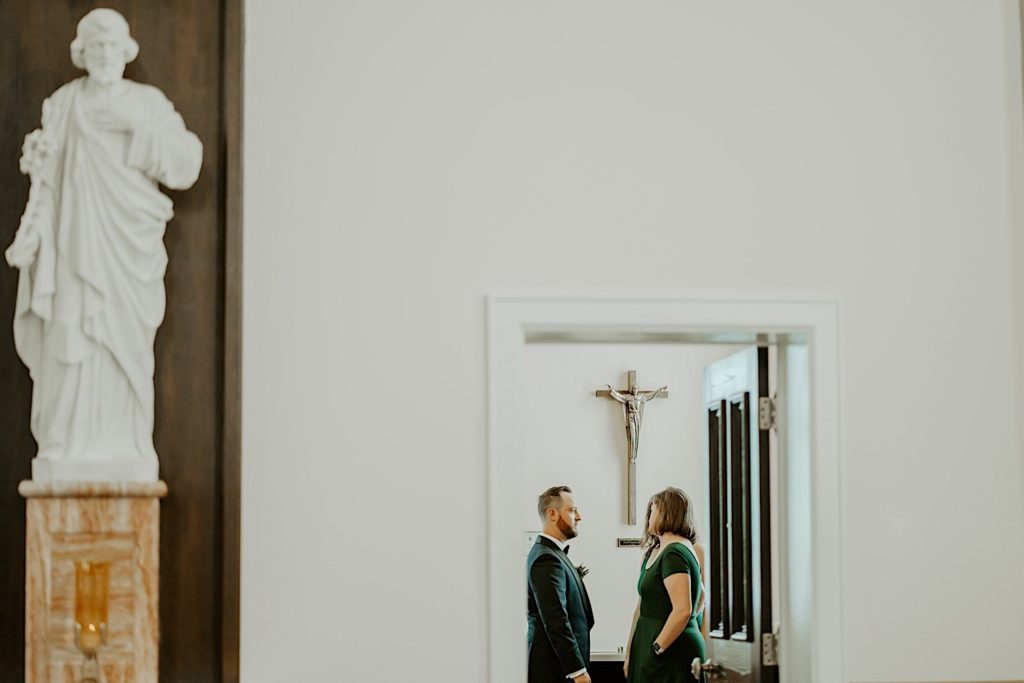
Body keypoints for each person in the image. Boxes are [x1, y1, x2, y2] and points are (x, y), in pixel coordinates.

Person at [4, 8, 202, 481]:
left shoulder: (146, 103)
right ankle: (67, 444)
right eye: (96, 46)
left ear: (127, 51)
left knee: (122, 344)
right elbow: (47, 181)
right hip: (73, 250)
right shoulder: (62, 104)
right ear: (83, 53)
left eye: (114, 45)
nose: (106, 55)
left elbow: (187, 163)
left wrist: (136, 126)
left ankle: (123, 440)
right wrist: (32, 231)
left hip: (126, 254)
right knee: (71, 336)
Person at [624, 487, 707, 682]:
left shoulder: (674, 552)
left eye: (652, 510)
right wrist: (630, 651)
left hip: (668, 650)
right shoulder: (658, 549)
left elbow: (683, 610)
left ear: (667, 512)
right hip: (650, 642)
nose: (648, 516)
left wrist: (657, 647)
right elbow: (701, 595)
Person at [527, 485, 595, 683]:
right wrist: (577, 671)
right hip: (554, 669)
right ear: (552, 514)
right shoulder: (546, 559)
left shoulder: (552, 553)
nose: (579, 516)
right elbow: (556, 619)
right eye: (572, 510)